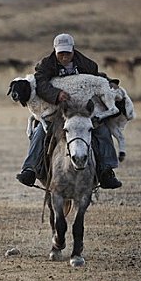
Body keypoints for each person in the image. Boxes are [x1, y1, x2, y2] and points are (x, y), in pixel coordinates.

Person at [16, 33, 122, 189]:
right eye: (61, 53)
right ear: (55, 51)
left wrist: (110, 83)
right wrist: (56, 94)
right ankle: (30, 169)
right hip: (56, 111)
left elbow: (95, 79)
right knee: (40, 132)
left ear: (73, 49)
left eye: (67, 52)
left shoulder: (88, 64)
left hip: (83, 110)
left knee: (102, 131)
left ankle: (106, 171)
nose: (64, 56)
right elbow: (41, 83)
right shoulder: (45, 65)